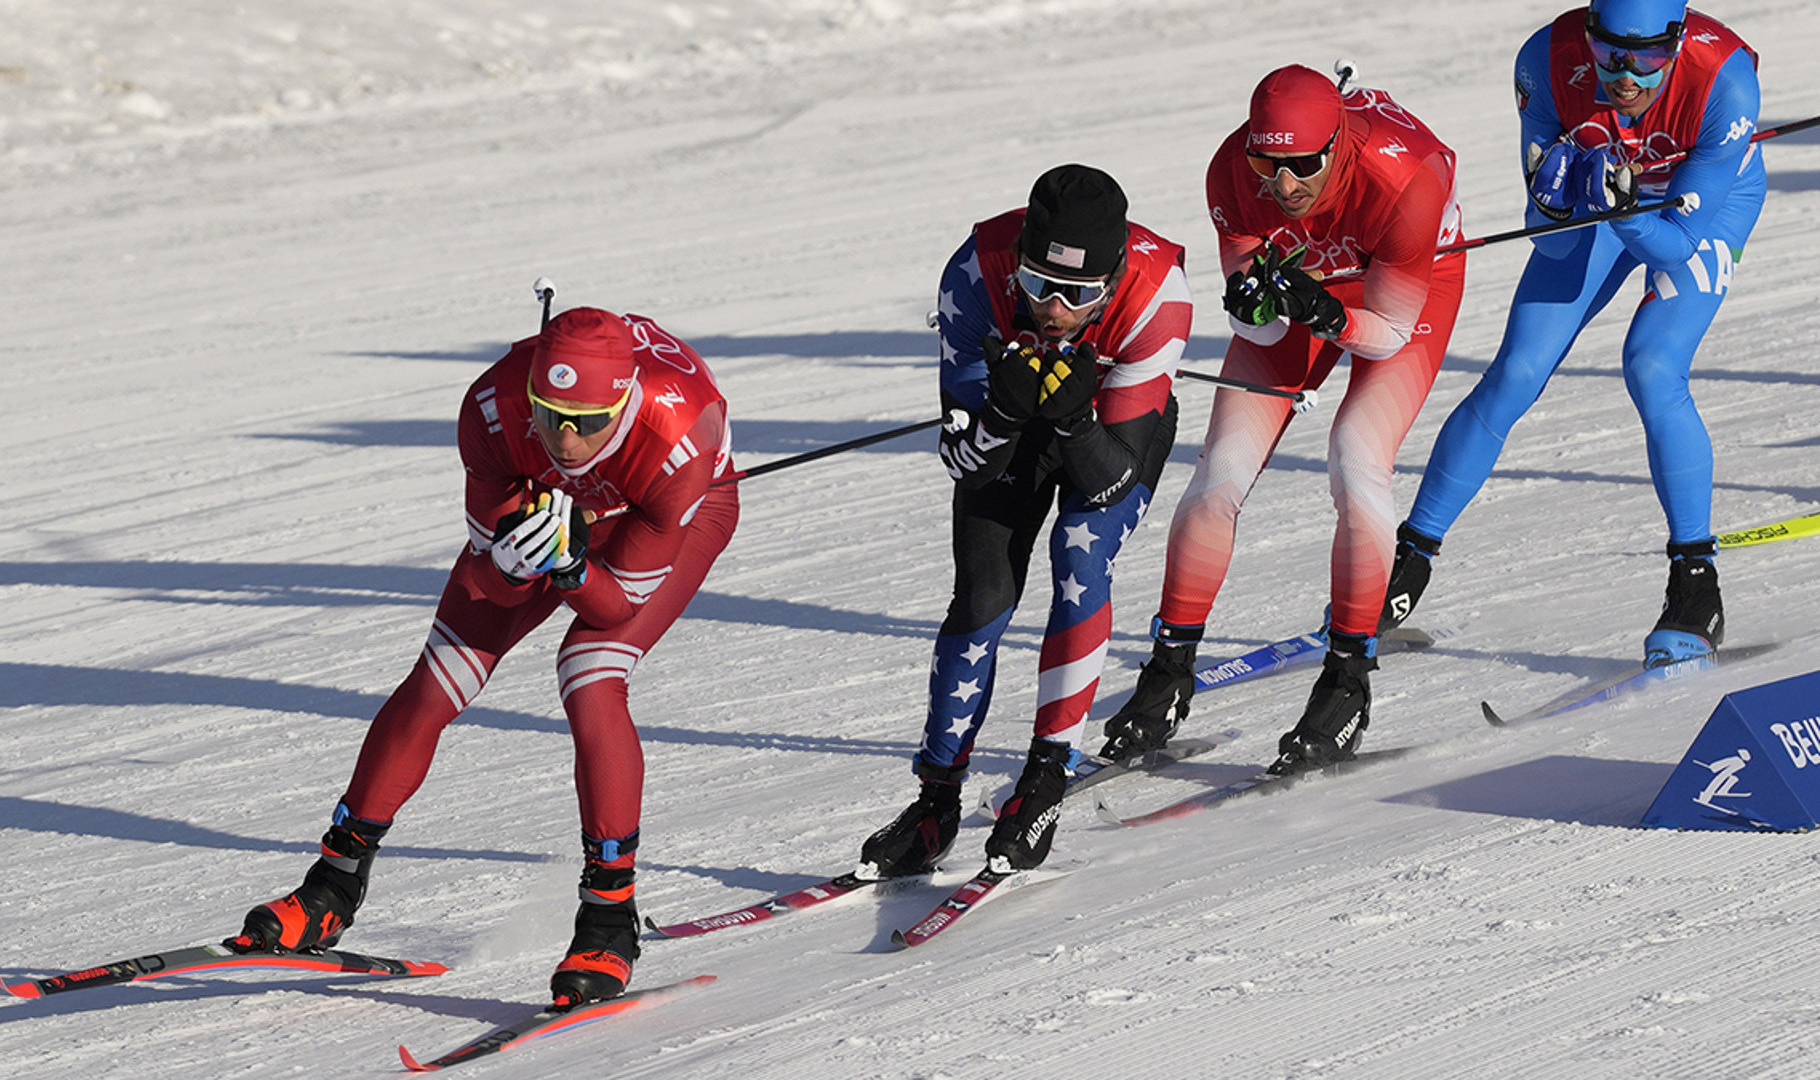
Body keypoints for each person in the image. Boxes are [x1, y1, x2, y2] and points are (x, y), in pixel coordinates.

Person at [236, 306, 738, 1009]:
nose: (566, 438)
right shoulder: (494, 406)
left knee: (589, 676)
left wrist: (570, 571)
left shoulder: (681, 434)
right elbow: (491, 582)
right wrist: (508, 558)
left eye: (587, 421)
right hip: (557, 507)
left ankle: (608, 915)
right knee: (441, 673)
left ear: (623, 402)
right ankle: (332, 883)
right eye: (551, 413)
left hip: (663, 511)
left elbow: (615, 607)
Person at [1105, 64, 1466, 776]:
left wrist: (1322, 309)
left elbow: (1390, 333)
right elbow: (1265, 339)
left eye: (1303, 164)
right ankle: (1170, 669)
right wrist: (1260, 305)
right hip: (1312, 289)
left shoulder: (1405, 179)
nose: (1285, 183)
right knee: (1218, 478)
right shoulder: (1232, 174)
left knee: (1356, 457)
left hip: (1401, 296)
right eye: (1269, 163)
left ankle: (1347, 679)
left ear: (1336, 145)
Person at [1381, 0, 1762, 669]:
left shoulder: (1724, 79)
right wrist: (1555, 202)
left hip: (1697, 208)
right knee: (1516, 372)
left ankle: (1696, 585)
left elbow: (1675, 247)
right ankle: (1407, 565)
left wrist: (1622, 206)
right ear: (1588, 37)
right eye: (1611, 53)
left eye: (1648, 59)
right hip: (1605, 194)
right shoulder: (1547, 62)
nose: (1626, 77)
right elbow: (1553, 247)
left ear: (1676, 43)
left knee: (1651, 364)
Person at [858, 163, 1193, 880]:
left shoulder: (1158, 293)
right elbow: (964, 461)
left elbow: (1110, 484)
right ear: (1019, 270)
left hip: (1106, 434)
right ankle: (934, 800)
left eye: (1079, 297)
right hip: (1015, 430)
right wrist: (1004, 411)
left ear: (1114, 278)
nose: (1055, 311)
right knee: (981, 596)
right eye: (1039, 287)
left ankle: (1044, 779)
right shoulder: (976, 273)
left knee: (1080, 558)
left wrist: (1074, 420)